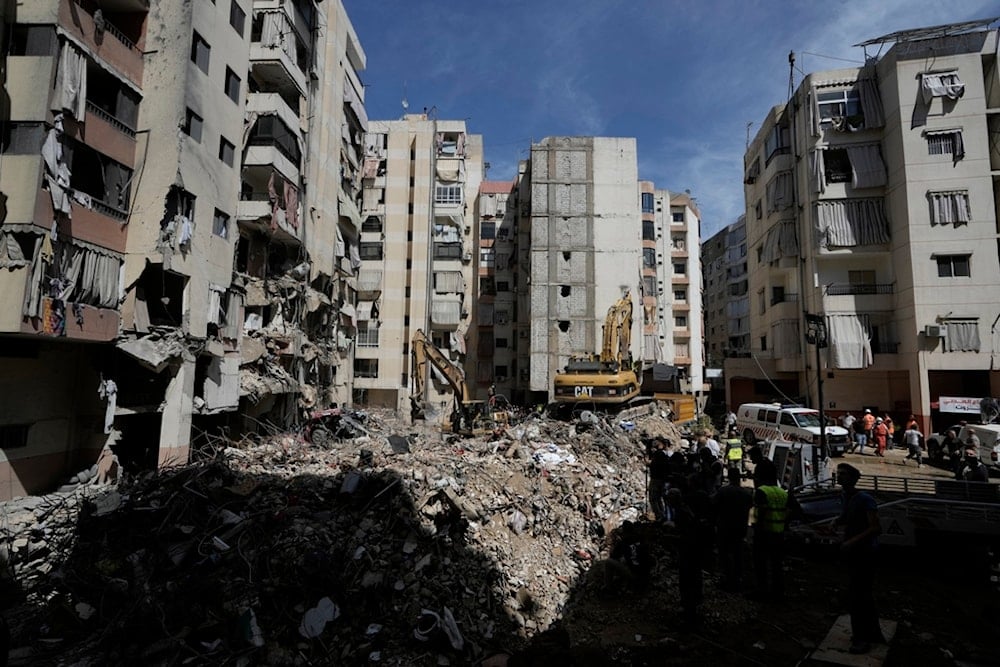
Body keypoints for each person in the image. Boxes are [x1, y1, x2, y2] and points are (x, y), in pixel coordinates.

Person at [831, 463, 884, 654]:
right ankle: (870, 632)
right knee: (859, 594)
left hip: (866, 553)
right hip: (854, 553)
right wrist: (837, 521)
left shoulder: (865, 499)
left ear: (853, 478)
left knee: (860, 596)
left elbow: (875, 527)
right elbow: (847, 516)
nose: (839, 477)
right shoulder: (847, 497)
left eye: (843, 474)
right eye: (838, 474)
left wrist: (851, 542)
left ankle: (862, 638)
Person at [751, 462, 796, 600]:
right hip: (779, 534)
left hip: (764, 533)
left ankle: (762, 591)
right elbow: (793, 510)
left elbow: (762, 511)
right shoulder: (783, 493)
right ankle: (778, 592)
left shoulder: (761, 492)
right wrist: (784, 523)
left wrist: (755, 530)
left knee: (761, 564)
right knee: (777, 565)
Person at [667, 486, 707, 627]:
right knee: (692, 579)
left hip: (689, 552)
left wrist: (672, 536)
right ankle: (691, 609)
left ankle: (689, 614)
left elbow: (685, 534)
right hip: (694, 550)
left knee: (687, 580)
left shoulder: (681, 513)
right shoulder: (685, 509)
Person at [713, 467, 753, 592]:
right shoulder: (746, 493)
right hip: (740, 528)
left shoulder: (723, 491)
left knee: (724, 554)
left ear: (728, 477)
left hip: (724, 527)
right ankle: (738, 579)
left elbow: (713, 505)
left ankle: (726, 579)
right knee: (737, 554)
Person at [647, 438, 672, 522]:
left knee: (653, 498)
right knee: (659, 498)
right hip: (662, 479)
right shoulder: (664, 455)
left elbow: (654, 466)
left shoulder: (659, 455)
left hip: (656, 479)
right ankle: (662, 514)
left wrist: (649, 463)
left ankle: (659, 515)